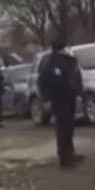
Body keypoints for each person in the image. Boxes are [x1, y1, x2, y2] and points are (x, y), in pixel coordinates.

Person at [38, 39, 84, 169]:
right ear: (60, 49)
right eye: (65, 48)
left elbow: (75, 77)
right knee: (63, 128)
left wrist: (78, 92)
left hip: (70, 97)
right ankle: (64, 157)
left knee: (69, 127)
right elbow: (43, 82)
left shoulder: (69, 60)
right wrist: (47, 99)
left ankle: (70, 152)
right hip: (59, 99)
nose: (67, 50)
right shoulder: (52, 63)